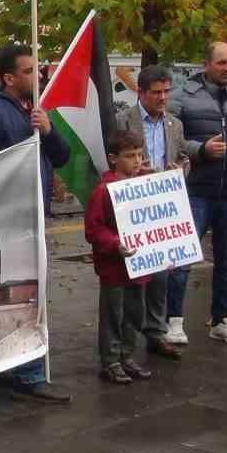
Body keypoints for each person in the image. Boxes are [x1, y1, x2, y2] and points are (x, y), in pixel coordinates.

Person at [0, 43, 73, 404]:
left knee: (24, 293)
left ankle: (7, 366)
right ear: (8, 78)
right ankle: (28, 373)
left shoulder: (37, 111)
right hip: (9, 221)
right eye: (28, 71)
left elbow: (62, 156)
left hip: (33, 214)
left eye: (36, 69)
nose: (37, 75)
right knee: (21, 295)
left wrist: (49, 130)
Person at [167, 41, 227, 347]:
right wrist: (201, 150)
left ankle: (224, 321)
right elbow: (172, 136)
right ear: (206, 64)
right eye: (222, 63)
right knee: (182, 260)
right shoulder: (184, 96)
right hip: (195, 190)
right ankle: (173, 321)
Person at [111, 65, 188, 360]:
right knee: (131, 276)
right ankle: (124, 339)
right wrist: (131, 174)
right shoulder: (122, 119)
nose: (163, 97)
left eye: (167, 91)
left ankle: (156, 333)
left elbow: (182, 157)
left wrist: (180, 170)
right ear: (140, 92)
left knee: (161, 274)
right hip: (131, 206)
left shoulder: (174, 125)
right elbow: (111, 160)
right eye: (156, 92)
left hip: (161, 207)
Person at [86, 129, 155, 384]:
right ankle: (111, 360)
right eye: (130, 156)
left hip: (140, 265)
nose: (137, 161)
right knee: (113, 314)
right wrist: (115, 244)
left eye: (139, 155)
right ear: (114, 158)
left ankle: (126, 355)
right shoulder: (103, 191)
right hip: (115, 267)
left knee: (136, 313)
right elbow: (94, 229)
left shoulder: (142, 185)